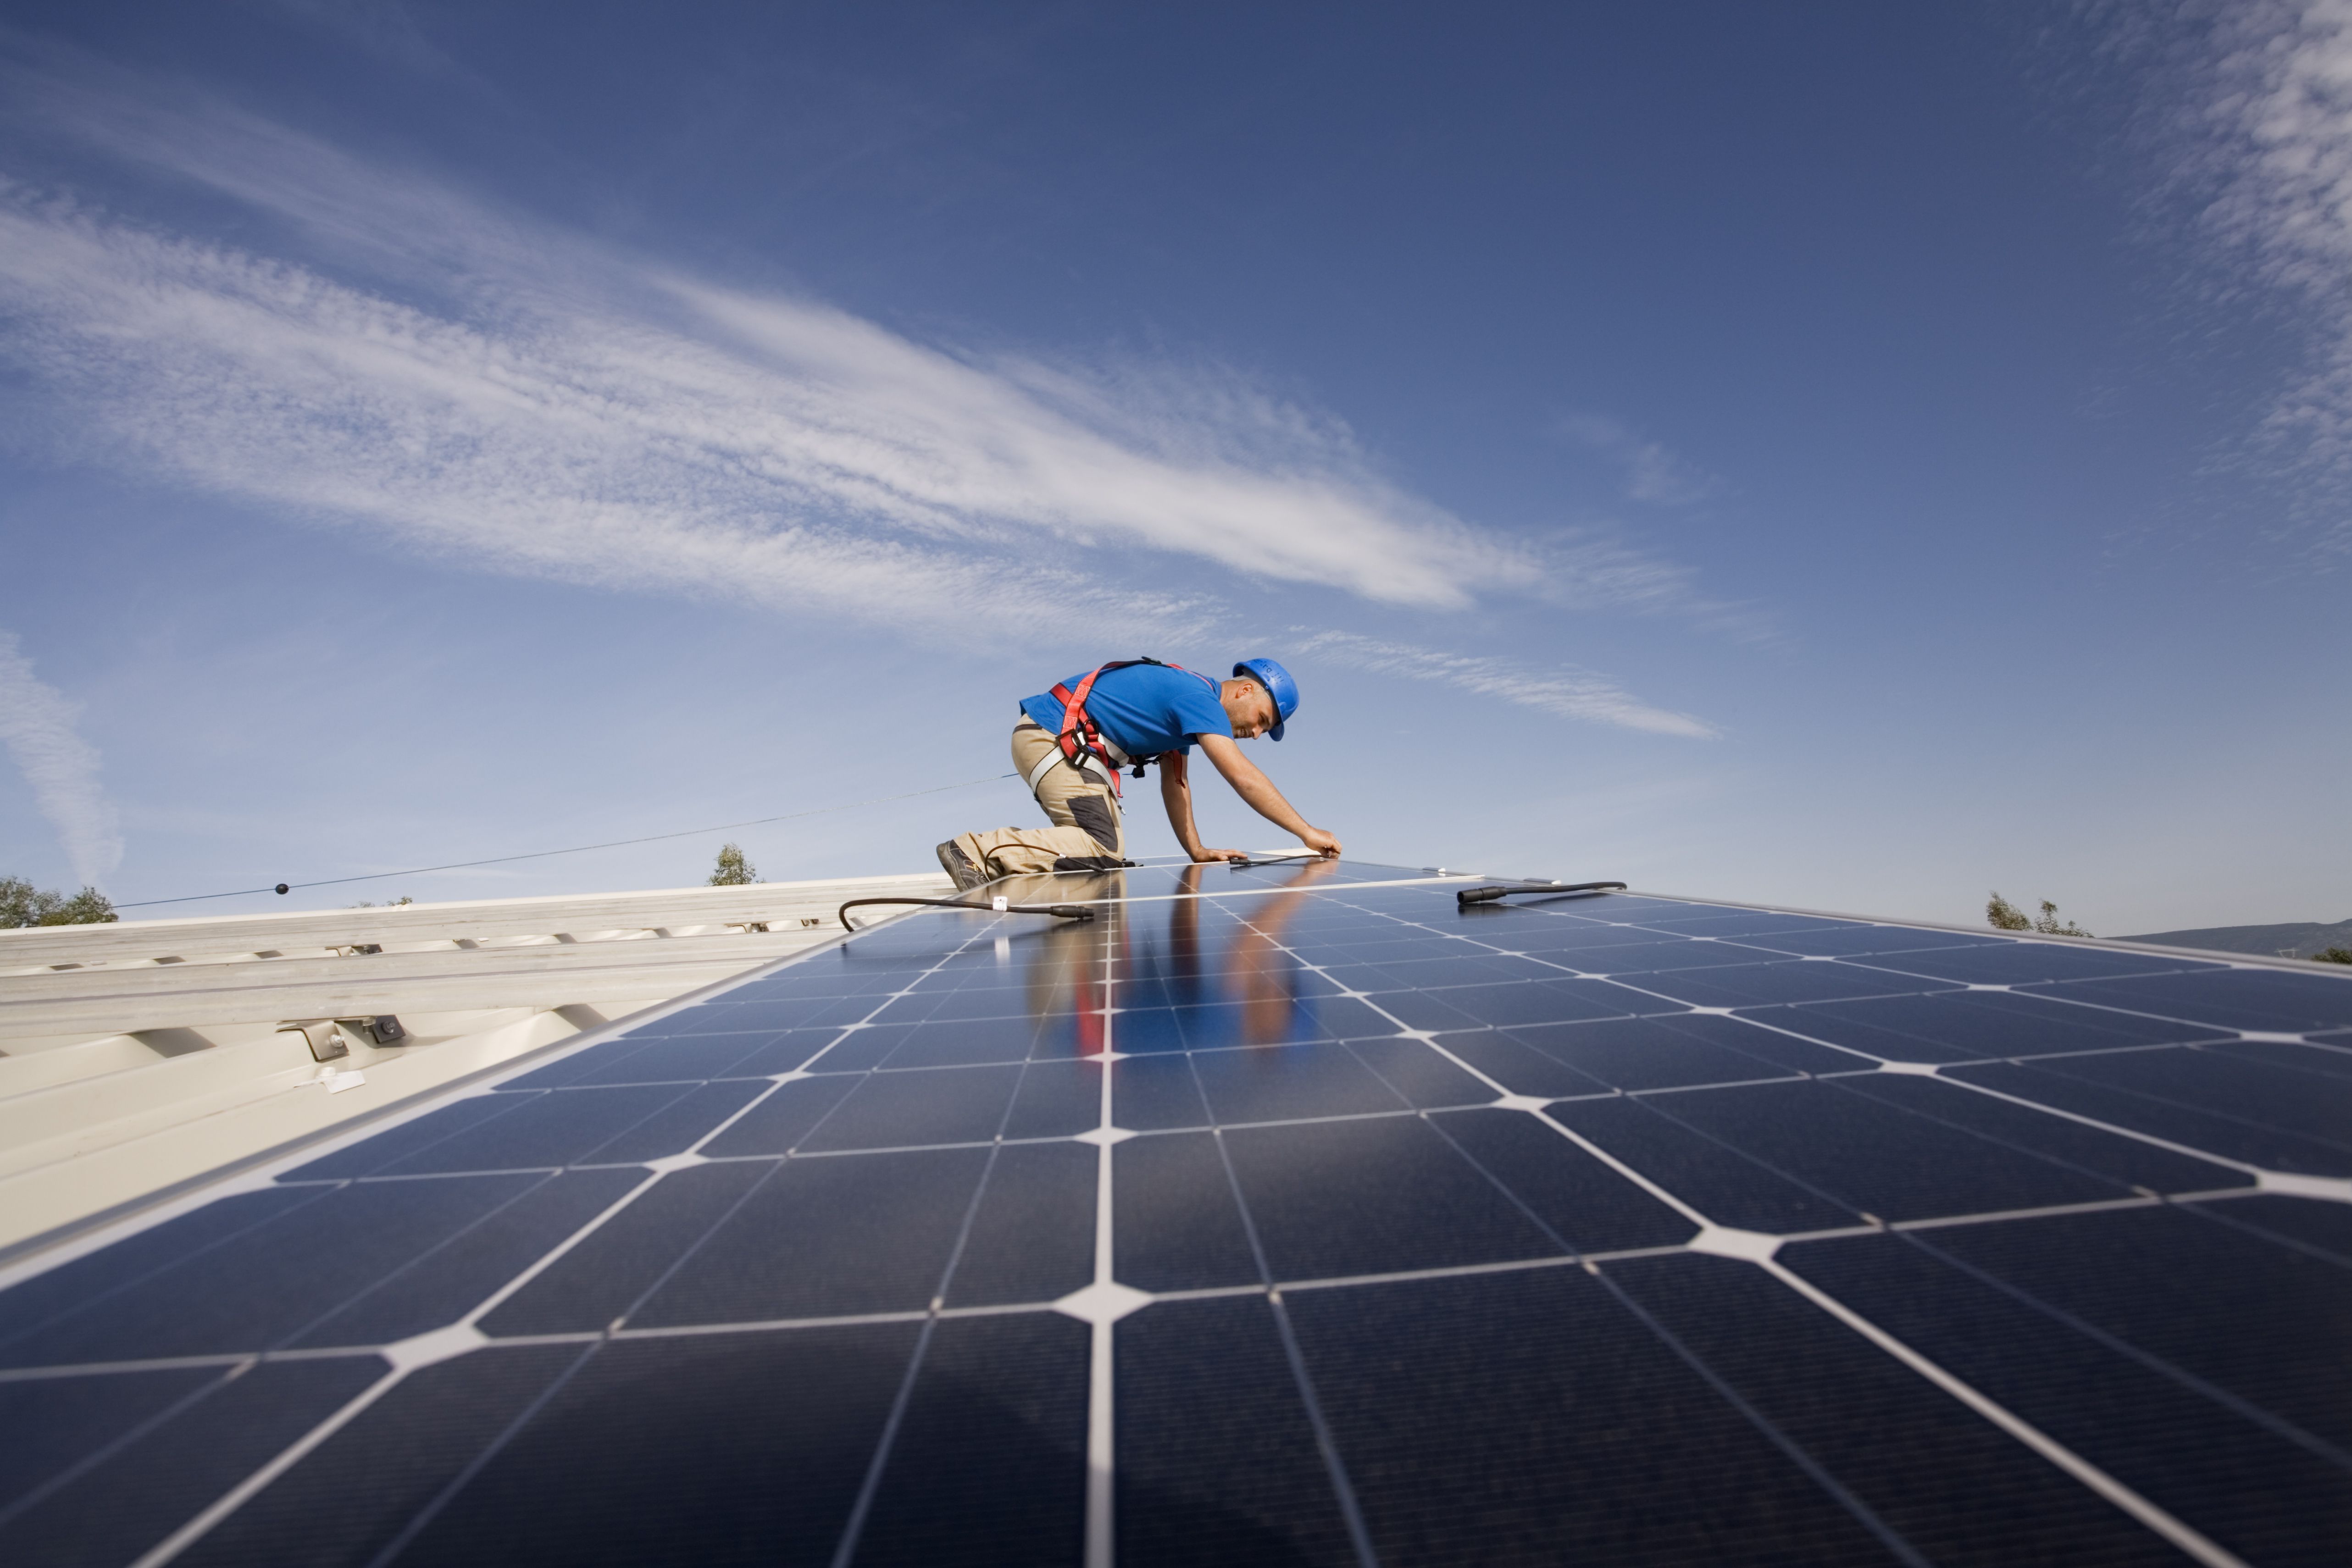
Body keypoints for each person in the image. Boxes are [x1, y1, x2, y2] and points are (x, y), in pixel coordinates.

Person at [938, 657, 1342, 887]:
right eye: (1261, 720)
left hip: (1057, 742)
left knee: (1100, 855)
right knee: (1104, 847)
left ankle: (994, 859)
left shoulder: (1188, 707)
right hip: (1053, 737)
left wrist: (1197, 852)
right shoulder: (1198, 698)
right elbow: (1243, 776)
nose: (1255, 733)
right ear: (1245, 691)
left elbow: (1177, 783)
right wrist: (1306, 832)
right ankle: (976, 851)